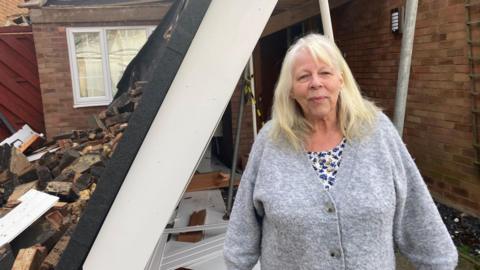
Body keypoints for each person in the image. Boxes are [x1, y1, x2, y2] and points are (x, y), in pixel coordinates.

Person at [223, 33, 458, 270]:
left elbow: (420, 218)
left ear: (341, 80)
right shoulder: (271, 141)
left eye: (325, 73)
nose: (316, 83)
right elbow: (241, 233)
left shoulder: (378, 132)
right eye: (304, 76)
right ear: (291, 90)